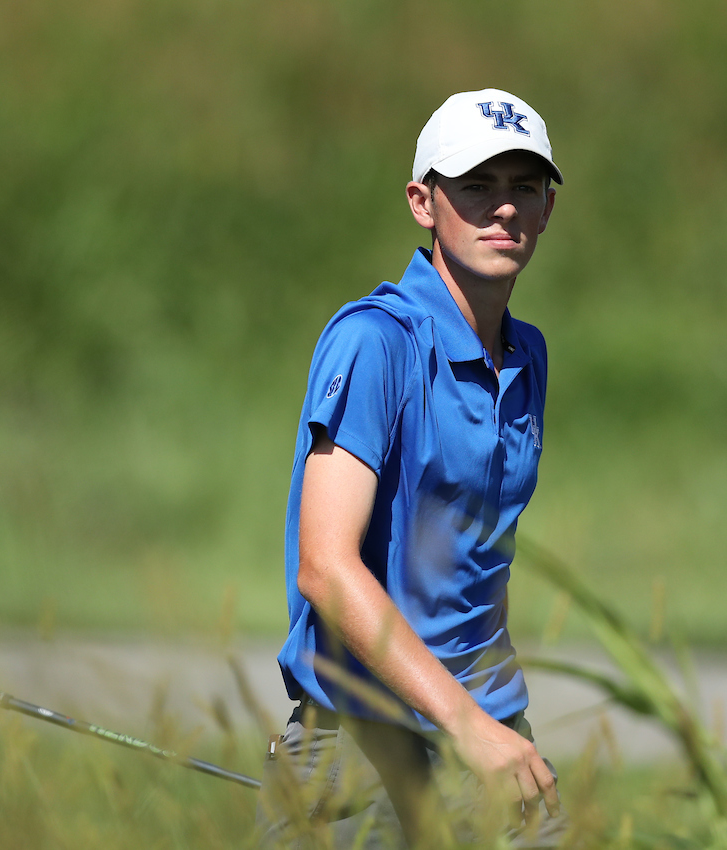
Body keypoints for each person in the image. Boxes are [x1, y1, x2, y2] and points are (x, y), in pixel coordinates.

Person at [257, 89, 568, 849]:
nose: (504, 210)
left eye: (524, 186)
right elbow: (325, 570)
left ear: (547, 208)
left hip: (493, 734)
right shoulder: (375, 343)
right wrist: (464, 727)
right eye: (477, 186)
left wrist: (489, 731)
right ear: (423, 202)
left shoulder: (527, 353)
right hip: (366, 746)